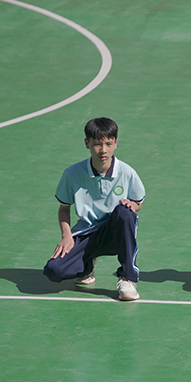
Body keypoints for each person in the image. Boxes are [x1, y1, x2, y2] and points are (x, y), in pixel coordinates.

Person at [44, 117, 146, 301]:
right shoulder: (72, 174)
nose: (103, 150)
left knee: (125, 213)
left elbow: (138, 203)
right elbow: (64, 208)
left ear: (116, 143)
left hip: (114, 233)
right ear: (87, 143)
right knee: (54, 271)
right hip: (86, 233)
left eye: (108, 144)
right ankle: (86, 266)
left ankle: (128, 279)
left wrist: (133, 205)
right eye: (97, 144)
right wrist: (66, 236)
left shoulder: (127, 172)